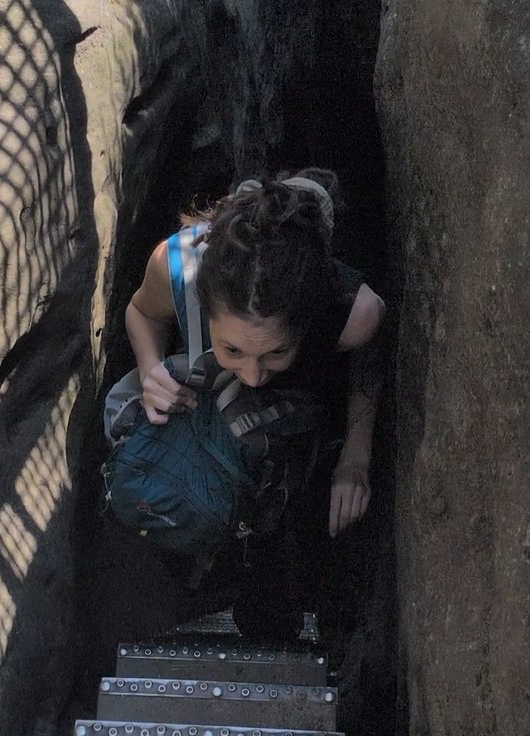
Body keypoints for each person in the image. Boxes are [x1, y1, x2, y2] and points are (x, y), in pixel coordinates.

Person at [105, 168, 386, 640]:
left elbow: (368, 358)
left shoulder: (351, 312)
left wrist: (355, 458)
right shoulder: (175, 266)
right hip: (204, 406)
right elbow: (141, 311)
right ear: (204, 305)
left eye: (277, 351)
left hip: (292, 423)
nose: (254, 373)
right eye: (233, 348)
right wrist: (152, 369)